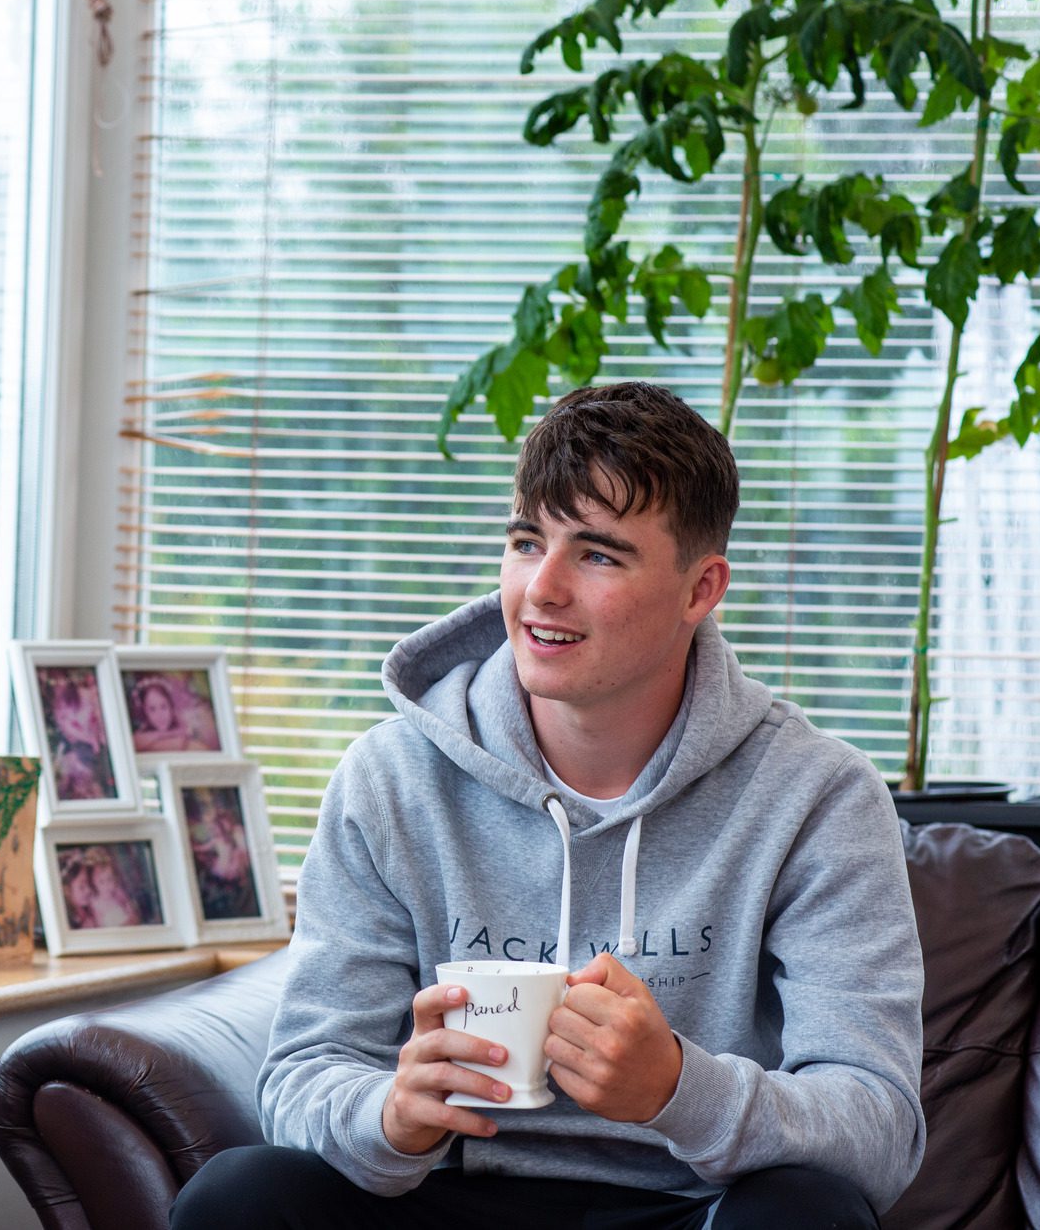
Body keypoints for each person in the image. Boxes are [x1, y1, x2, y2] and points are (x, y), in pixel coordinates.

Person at [170, 383, 924, 1229]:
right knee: (236, 1195)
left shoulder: (817, 796)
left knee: (806, 1214)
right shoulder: (390, 778)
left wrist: (679, 1088)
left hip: (689, 1207)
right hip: (444, 1196)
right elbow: (305, 1072)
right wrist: (391, 1114)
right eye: (528, 541)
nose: (543, 589)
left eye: (598, 554)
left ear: (700, 588)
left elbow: (879, 1127)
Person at [185, 788, 259, 920]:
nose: (211, 809)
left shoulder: (226, 823)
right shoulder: (195, 832)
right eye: (203, 805)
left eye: (213, 803)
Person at [129, 674, 214, 753]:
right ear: (145, 712)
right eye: (152, 709)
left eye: (163, 707)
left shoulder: (186, 733)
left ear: (171, 707)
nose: (160, 715)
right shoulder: (137, 740)